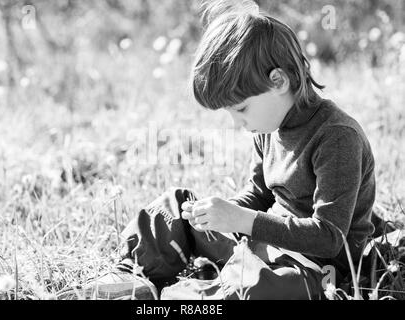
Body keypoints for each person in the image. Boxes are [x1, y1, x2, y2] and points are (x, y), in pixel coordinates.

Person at [76, 0, 379, 300]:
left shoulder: (337, 137)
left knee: (260, 288)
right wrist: (216, 214)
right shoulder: (268, 126)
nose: (237, 122)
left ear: (278, 82)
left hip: (311, 267)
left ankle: (187, 295)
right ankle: (134, 277)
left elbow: (329, 239)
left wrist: (241, 220)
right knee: (174, 207)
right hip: (260, 241)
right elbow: (260, 194)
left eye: (241, 109)